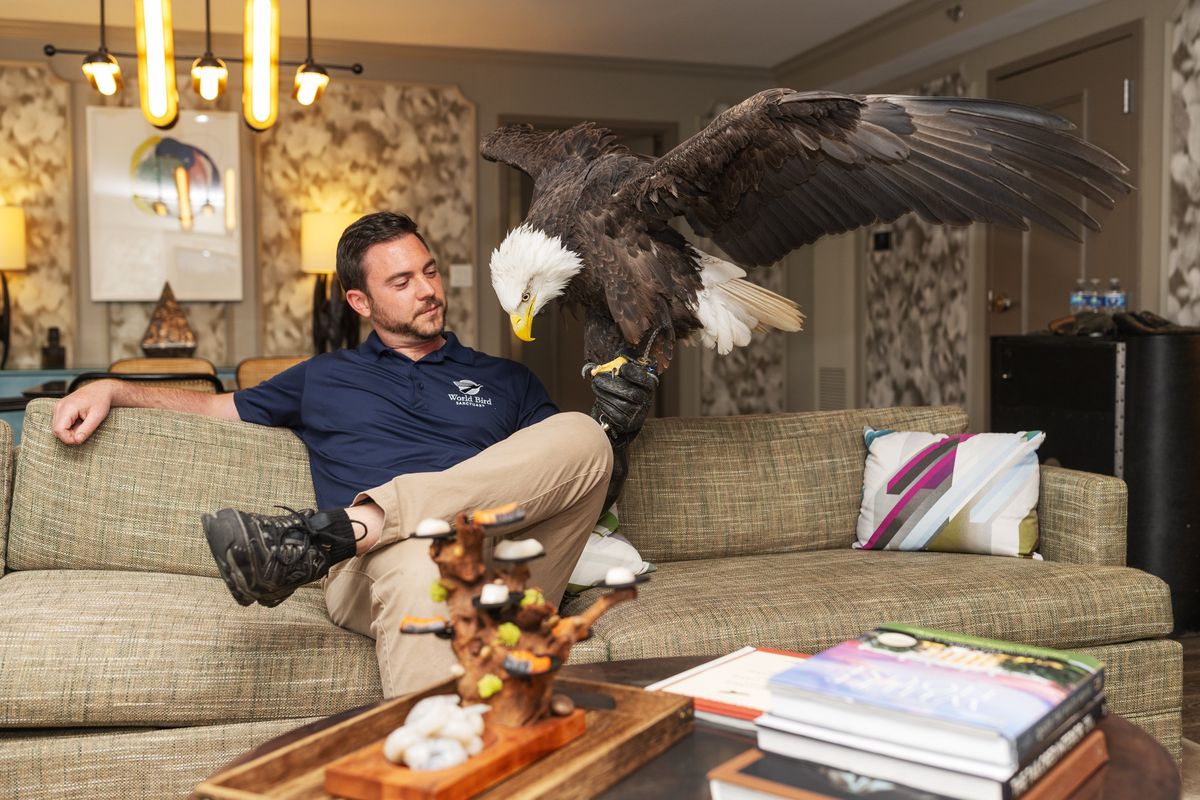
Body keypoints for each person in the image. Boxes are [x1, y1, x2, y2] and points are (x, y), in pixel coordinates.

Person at [50, 211, 657, 696]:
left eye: (430, 272)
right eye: (402, 282)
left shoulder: (506, 378)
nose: (427, 291)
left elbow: (574, 477)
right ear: (360, 302)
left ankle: (343, 529)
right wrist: (111, 386)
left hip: (507, 559)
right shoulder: (322, 377)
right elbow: (213, 409)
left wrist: (617, 429)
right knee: (429, 562)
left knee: (582, 432)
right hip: (385, 567)